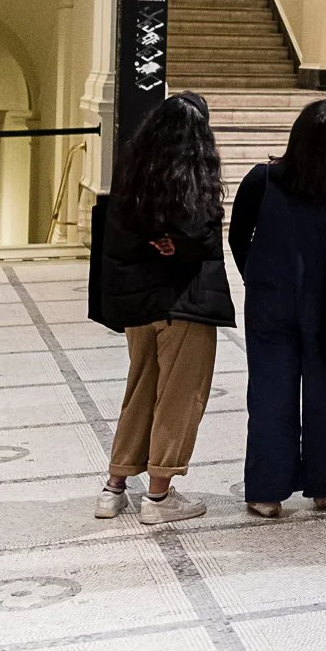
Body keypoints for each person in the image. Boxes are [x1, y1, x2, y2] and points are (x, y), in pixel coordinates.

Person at [229, 99, 326, 518]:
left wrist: (255, 278)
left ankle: (266, 492)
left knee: (269, 394)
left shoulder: (261, 180)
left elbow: (239, 236)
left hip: (269, 302)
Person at [94, 93, 231, 526]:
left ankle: (114, 488)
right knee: (179, 398)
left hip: (139, 306)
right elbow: (204, 244)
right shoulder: (195, 178)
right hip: (184, 306)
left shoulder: (133, 173)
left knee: (139, 391)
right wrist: (177, 247)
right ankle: (158, 494)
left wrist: (155, 243)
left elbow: (117, 239)